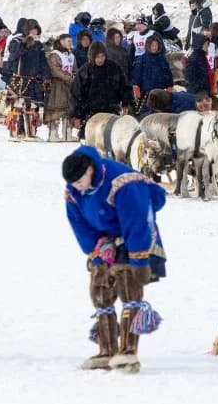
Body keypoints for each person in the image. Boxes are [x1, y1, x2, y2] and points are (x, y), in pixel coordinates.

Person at [61, 146, 166, 371]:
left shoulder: (124, 183)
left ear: (90, 169)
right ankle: (106, 350)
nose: (78, 187)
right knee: (99, 291)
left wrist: (139, 261)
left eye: (81, 181)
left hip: (135, 234)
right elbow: (79, 224)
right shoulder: (73, 191)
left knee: (128, 286)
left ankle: (128, 352)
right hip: (104, 240)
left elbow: (138, 220)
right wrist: (95, 254)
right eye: (74, 184)